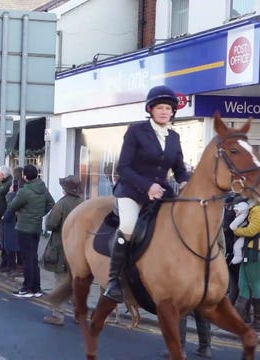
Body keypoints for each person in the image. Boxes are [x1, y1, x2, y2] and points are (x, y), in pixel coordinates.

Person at [104, 85, 190, 303]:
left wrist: (185, 181)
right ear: (150, 109)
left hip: (162, 192)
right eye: (160, 107)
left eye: (168, 108)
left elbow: (179, 168)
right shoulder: (136, 131)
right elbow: (123, 167)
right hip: (132, 191)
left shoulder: (174, 137)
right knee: (129, 226)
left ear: (173, 112)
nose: (164, 111)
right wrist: (147, 186)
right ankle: (114, 281)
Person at [7, 164, 55, 298]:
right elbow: (51, 204)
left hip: (24, 227)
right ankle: (36, 288)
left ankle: (27, 287)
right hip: (36, 227)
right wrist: (39, 214)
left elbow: (12, 206)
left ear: (25, 176)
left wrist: (11, 193)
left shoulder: (24, 191)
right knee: (33, 258)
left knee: (27, 258)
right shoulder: (42, 188)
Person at [43, 175, 84, 326]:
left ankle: (58, 316)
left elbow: (51, 224)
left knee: (60, 282)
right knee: (76, 282)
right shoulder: (83, 203)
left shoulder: (61, 204)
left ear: (65, 189)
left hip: (61, 246)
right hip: (79, 248)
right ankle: (79, 314)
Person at [233, 200, 260, 329]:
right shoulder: (254, 207)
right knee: (243, 283)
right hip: (249, 251)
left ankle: (257, 321)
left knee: (255, 285)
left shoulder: (258, 209)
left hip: (255, 252)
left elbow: (252, 230)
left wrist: (237, 231)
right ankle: (241, 318)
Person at [0, 165, 14, 271]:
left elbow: (10, 202)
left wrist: (4, 215)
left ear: (2, 175)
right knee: (2, 241)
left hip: (4, 217)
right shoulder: (5, 183)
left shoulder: (9, 184)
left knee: (5, 241)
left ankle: (8, 264)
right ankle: (4, 262)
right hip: (0, 216)